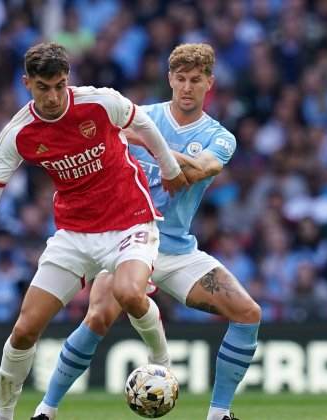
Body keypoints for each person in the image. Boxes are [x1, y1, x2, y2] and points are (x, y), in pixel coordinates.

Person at [0, 42, 189, 420]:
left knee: (127, 292)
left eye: (60, 85)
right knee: (25, 330)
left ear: (68, 80)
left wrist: (170, 168)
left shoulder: (99, 102)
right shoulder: (19, 133)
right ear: (27, 83)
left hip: (130, 219)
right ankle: (3, 414)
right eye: (44, 88)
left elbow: (141, 122)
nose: (54, 96)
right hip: (74, 234)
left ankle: (161, 363)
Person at [32, 44, 261, 420]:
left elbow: (197, 171)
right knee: (99, 316)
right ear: (170, 80)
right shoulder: (141, 116)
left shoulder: (220, 137)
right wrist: (141, 138)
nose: (187, 87)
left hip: (175, 248)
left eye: (196, 80)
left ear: (210, 84)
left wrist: (147, 143)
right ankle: (46, 410)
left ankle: (219, 414)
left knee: (248, 312)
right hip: (126, 238)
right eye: (181, 79)